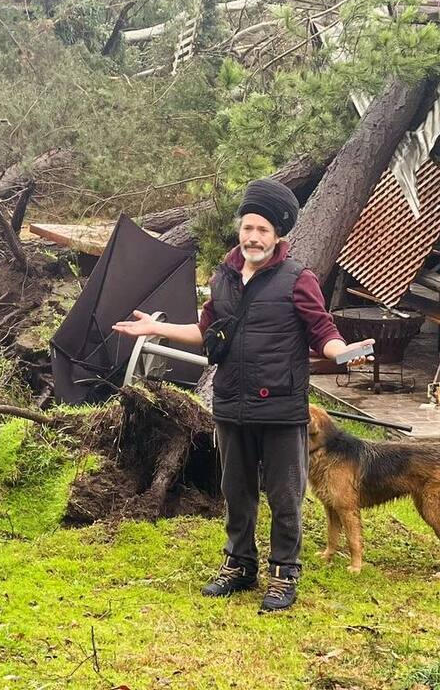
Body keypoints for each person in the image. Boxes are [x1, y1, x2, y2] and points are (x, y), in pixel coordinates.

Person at [112, 178, 373, 613]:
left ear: (278, 235)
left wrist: (342, 351)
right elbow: (206, 332)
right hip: (232, 404)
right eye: (248, 227)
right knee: (236, 493)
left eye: (263, 230)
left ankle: (284, 572)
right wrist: (156, 327)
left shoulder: (298, 279)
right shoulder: (224, 278)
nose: (253, 237)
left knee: (285, 496)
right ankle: (239, 565)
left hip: (281, 408)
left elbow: (322, 331)